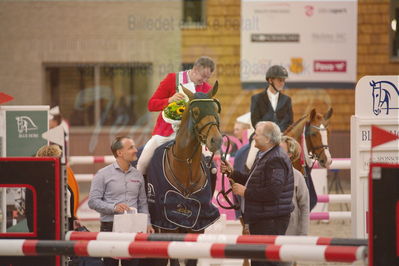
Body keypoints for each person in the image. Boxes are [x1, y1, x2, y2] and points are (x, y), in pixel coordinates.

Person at [221, 121, 294, 266]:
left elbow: (273, 192)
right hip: (265, 219)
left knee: (266, 262)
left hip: (270, 221)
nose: (253, 136)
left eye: (257, 134)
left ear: (267, 139)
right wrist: (233, 173)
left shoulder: (276, 159)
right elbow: (252, 180)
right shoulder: (266, 154)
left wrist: (245, 192)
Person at [137, 56, 216, 175]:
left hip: (194, 135)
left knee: (212, 167)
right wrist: (169, 100)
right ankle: (141, 190)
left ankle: (209, 192)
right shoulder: (173, 79)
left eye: (207, 78)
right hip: (166, 133)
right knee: (143, 162)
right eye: (202, 76)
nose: (204, 80)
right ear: (194, 69)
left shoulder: (207, 89)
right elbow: (151, 105)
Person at [88, 136, 154, 266]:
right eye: (131, 148)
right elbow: (93, 201)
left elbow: (142, 203)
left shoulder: (138, 175)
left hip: (134, 228)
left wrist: (148, 223)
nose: (136, 150)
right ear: (119, 153)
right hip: (109, 226)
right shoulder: (102, 174)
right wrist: (113, 207)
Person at [35, 144, 79, 230]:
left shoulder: (62, 176)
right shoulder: (41, 181)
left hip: (65, 223)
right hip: (50, 227)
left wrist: (74, 218)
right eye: (59, 158)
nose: (60, 161)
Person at [280, 136, 309, 236]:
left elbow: (304, 205)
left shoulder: (298, 176)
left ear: (290, 154)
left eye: (281, 150)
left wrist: (303, 233)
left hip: (291, 231)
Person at [250, 65, 293, 132]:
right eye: (279, 80)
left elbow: (290, 122)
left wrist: (281, 134)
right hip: (263, 135)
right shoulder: (257, 98)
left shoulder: (287, 100)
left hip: (282, 135)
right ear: (270, 80)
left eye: (283, 80)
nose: (282, 83)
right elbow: (255, 121)